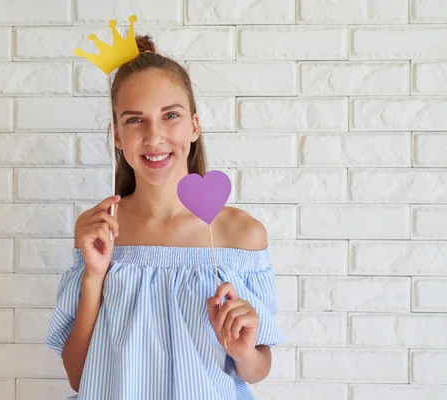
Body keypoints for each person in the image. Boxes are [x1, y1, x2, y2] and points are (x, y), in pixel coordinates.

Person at [46, 34, 284, 400]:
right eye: (135, 120)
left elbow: (258, 368)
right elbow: (80, 376)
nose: (154, 136)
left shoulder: (243, 235)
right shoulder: (102, 234)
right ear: (117, 137)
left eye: (170, 115)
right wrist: (95, 274)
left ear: (194, 126)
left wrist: (243, 351)